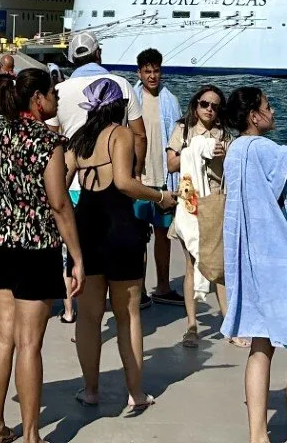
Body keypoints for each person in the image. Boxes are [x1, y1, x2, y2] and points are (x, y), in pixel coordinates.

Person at [0, 69, 84, 443]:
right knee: (29, 343)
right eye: (53, 93)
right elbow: (58, 203)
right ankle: (31, 435)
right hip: (36, 244)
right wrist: (76, 256)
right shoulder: (48, 142)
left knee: (1, 337)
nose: (56, 99)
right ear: (37, 99)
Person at [222, 82, 287, 443]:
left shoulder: (238, 150)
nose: (273, 111)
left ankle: (257, 437)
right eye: (268, 106)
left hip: (251, 264)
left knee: (260, 346)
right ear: (254, 116)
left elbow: (286, 156)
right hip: (281, 262)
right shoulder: (261, 150)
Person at [69, 77, 175, 414]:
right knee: (128, 314)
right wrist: (160, 196)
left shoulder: (80, 138)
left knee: (88, 316)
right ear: (119, 106)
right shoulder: (121, 134)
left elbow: (60, 180)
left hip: (86, 227)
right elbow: (124, 183)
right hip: (119, 228)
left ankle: (90, 390)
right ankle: (136, 393)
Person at [168, 83, 229, 348]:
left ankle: (228, 320)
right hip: (190, 199)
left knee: (219, 263)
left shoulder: (224, 134)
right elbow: (171, 163)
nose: (209, 110)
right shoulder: (183, 130)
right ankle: (192, 325)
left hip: (215, 200)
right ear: (196, 104)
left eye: (215, 106)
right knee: (192, 262)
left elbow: (227, 169)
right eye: (205, 104)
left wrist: (221, 154)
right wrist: (194, 149)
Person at [133, 48, 183, 303]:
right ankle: (138, 290)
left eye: (156, 71)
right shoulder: (131, 100)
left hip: (165, 180)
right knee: (138, 238)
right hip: (140, 181)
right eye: (147, 71)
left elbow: (178, 141)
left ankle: (163, 286)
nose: (152, 76)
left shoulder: (170, 101)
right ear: (139, 73)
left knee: (164, 237)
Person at [54, 33, 146, 173]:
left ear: (72, 59)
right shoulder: (122, 84)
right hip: (115, 181)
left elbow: (52, 140)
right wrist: (136, 174)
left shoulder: (58, 91)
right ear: (98, 53)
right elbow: (140, 136)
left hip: (70, 180)